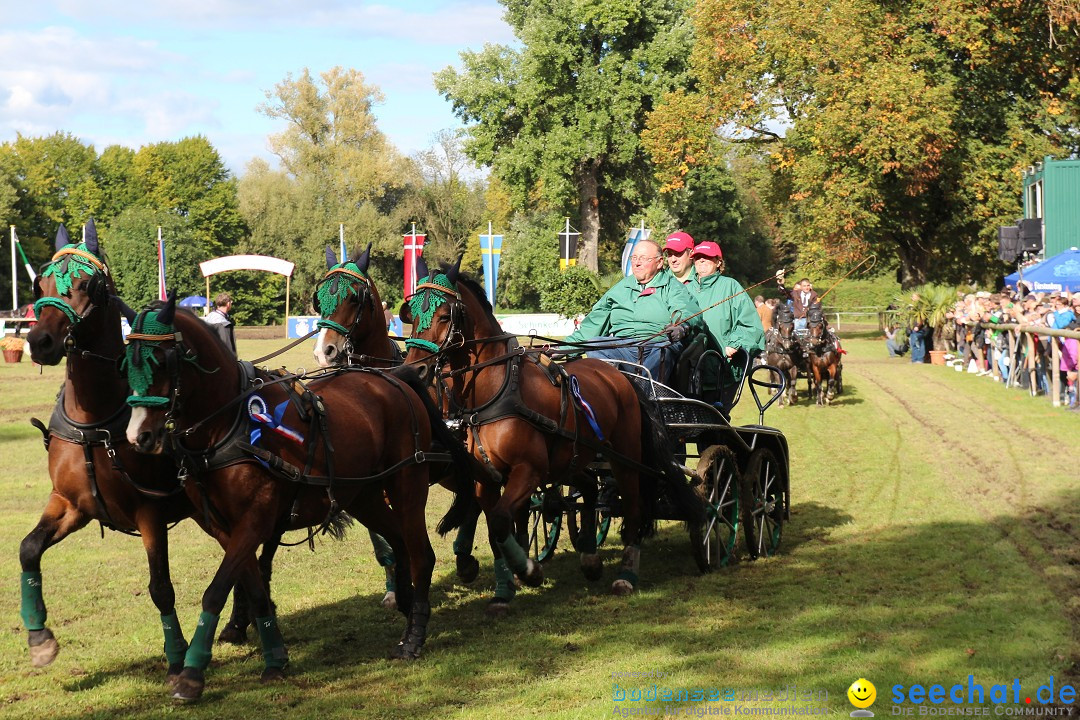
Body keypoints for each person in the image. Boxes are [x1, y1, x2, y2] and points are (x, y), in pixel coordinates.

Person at [563, 239, 703, 381]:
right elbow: (592, 327)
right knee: (595, 344)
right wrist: (562, 349)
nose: (636, 263)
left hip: (657, 346)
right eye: (634, 258)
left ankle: (646, 394)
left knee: (663, 351)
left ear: (660, 262)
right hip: (623, 346)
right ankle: (617, 390)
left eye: (643, 258)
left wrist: (681, 327)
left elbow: (686, 311)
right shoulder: (620, 289)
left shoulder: (673, 287)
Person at [684, 241, 765, 402]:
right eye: (697, 257)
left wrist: (735, 343)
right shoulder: (684, 289)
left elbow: (752, 327)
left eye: (706, 258)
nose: (701, 261)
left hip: (722, 373)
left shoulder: (730, 287)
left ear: (718, 262)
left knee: (716, 423)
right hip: (688, 375)